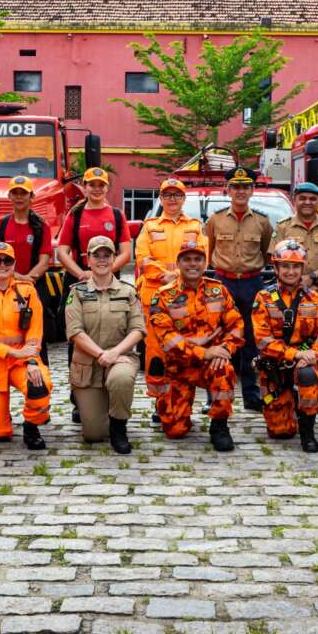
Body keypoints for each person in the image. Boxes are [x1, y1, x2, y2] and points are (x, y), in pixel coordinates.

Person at [147, 235, 245, 452]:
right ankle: (167, 404)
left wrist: (224, 350)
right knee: (175, 431)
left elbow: (236, 325)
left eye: (198, 259)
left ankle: (219, 425)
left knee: (224, 370)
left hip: (211, 365)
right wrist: (205, 352)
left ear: (205, 263)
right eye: (187, 259)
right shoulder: (163, 296)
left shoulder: (218, 291)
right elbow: (168, 339)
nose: (193, 264)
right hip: (178, 367)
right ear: (179, 263)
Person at [56, 167, 132, 422]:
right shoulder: (75, 215)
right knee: (78, 337)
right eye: (91, 185)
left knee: (113, 331)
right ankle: (79, 397)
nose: (96, 189)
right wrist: (81, 273)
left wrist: (104, 270)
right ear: (85, 187)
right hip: (80, 279)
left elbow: (125, 252)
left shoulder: (117, 215)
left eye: (101, 185)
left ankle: (111, 388)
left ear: (106, 188)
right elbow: (63, 251)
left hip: (110, 279)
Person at [0, 242, 53, 450]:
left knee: (39, 384)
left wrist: (31, 360)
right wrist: (13, 351)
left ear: (14, 264)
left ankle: (31, 426)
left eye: (7, 260)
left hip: (21, 361)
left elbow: (35, 330)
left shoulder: (28, 292)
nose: (2, 264)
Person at [250, 239, 318, 453]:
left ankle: (308, 432)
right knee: (281, 431)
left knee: (308, 375)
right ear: (276, 267)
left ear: (302, 268)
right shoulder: (264, 298)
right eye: (285, 266)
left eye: (296, 266)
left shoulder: (313, 297)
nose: (290, 271)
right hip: (276, 366)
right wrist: (294, 354)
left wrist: (312, 355)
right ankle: (288, 402)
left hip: (306, 361)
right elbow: (262, 340)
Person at [64, 236, 146, 453]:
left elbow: (138, 329)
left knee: (120, 379)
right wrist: (102, 354)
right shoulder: (77, 292)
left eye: (107, 255)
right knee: (93, 434)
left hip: (121, 358)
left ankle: (119, 427)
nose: (102, 260)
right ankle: (105, 410)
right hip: (88, 364)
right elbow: (74, 332)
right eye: (96, 255)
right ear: (87, 259)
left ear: (113, 259)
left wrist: (115, 353)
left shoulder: (128, 292)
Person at [270, 181, 318, 418]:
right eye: (303, 198)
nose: (307, 202)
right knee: (287, 336)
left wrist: (311, 277)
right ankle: (285, 390)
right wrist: (293, 279)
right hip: (287, 291)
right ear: (295, 199)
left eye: (313, 198)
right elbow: (274, 256)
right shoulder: (283, 226)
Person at [134, 177, 203, 422]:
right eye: (167, 195)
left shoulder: (195, 226)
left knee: (183, 349)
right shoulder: (150, 226)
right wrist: (172, 276)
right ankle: (159, 403)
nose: (172, 199)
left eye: (177, 195)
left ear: (184, 199)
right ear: (161, 199)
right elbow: (143, 259)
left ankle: (183, 401)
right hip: (155, 296)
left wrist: (179, 277)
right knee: (156, 352)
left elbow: (200, 257)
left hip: (186, 297)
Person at [204, 165, 273, 412]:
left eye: (245, 187)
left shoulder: (263, 222)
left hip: (253, 283)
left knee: (251, 341)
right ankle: (215, 393)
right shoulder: (216, 219)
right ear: (227, 190)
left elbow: (266, 254)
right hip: (222, 283)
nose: (240, 191)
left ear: (252, 190)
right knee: (219, 336)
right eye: (235, 187)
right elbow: (208, 251)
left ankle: (252, 395)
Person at [0, 175, 54, 364]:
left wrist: (28, 279)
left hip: (33, 287)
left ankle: (39, 370)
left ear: (31, 197)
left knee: (37, 333)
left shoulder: (41, 225)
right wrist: (15, 277)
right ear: (9, 196)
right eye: (15, 193)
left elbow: (44, 259)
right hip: (2, 286)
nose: (19, 197)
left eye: (23, 193)